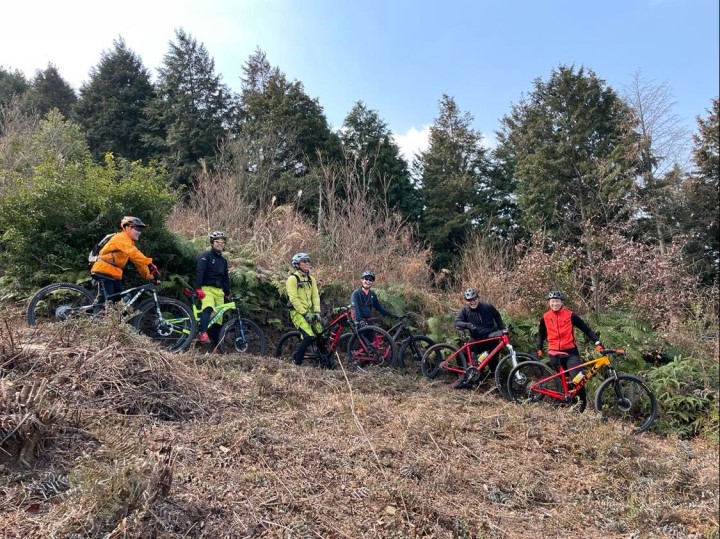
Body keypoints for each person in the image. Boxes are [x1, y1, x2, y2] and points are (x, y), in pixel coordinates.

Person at [535, 290, 603, 404]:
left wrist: (597, 342)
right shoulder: (545, 317)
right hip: (554, 354)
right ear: (549, 303)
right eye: (552, 301)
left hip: (571, 353)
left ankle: (582, 405)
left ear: (562, 302)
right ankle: (566, 403)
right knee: (563, 382)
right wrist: (539, 348)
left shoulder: (570, 315)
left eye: (557, 301)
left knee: (578, 379)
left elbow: (586, 329)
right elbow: (541, 333)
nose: (554, 304)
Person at [90, 216, 159, 304]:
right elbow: (134, 253)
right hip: (104, 271)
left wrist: (150, 276)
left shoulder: (129, 243)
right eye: (137, 229)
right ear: (127, 228)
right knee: (106, 303)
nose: (139, 232)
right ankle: (86, 315)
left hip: (114, 274)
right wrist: (149, 263)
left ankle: (100, 314)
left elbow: (138, 262)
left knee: (118, 304)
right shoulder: (121, 238)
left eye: (140, 230)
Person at [454, 288, 507, 373]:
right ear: (466, 301)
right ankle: (462, 377)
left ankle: (494, 376)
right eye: (469, 300)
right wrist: (468, 325)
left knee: (493, 359)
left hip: (491, 338)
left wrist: (503, 328)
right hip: (476, 340)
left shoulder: (488, 307)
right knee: (461, 354)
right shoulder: (464, 310)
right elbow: (457, 322)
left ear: (478, 298)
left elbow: (498, 317)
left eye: (474, 299)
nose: (472, 302)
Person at [286, 252, 324, 365]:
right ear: (297, 264)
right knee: (309, 336)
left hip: (310, 311)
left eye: (308, 261)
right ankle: (296, 363)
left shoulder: (311, 279)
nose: (307, 263)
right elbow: (293, 298)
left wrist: (317, 311)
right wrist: (303, 312)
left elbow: (315, 296)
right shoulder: (292, 279)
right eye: (304, 261)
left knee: (320, 334)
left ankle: (325, 362)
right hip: (297, 312)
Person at [194, 231, 231, 345]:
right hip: (207, 289)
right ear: (212, 243)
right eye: (217, 241)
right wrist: (198, 288)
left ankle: (217, 346)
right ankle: (203, 333)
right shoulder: (206, 256)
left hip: (219, 291)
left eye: (222, 242)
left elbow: (225, 277)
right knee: (208, 307)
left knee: (218, 319)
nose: (220, 244)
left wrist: (227, 292)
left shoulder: (223, 261)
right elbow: (200, 271)